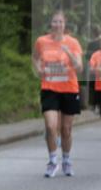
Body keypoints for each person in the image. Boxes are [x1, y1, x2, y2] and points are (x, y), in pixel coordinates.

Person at [31, 10, 83, 177]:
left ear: (65, 25)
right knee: (50, 126)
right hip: (49, 88)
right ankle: (53, 161)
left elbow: (80, 68)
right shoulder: (42, 41)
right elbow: (35, 57)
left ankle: (66, 160)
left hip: (69, 89)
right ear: (50, 24)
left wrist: (68, 53)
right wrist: (38, 69)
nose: (57, 25)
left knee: (66, 129)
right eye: (55, 22)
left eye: (60, 22)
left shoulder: (73, 43)